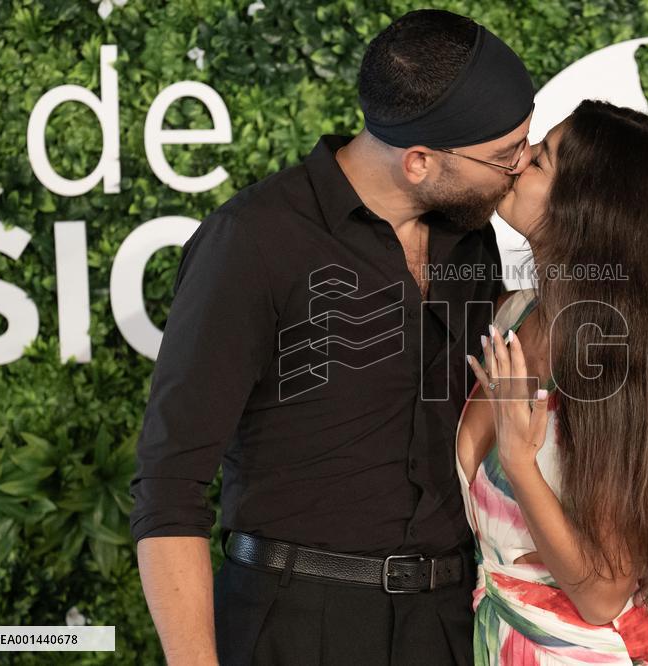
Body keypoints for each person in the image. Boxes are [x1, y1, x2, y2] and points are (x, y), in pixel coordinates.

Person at [128, 9, 538, 665]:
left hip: (451, 624)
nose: (519, 169)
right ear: (420, 161)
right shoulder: (254, 242)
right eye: (504, 156)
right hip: (294, 625)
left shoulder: (472, 237)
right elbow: (168, 489)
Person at [459, 100, 648, 664]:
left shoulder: (618, 364)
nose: (517, 162)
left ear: (590, 209)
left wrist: (519, 461)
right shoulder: (512, 314)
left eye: (541, 159)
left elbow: (601, 593)